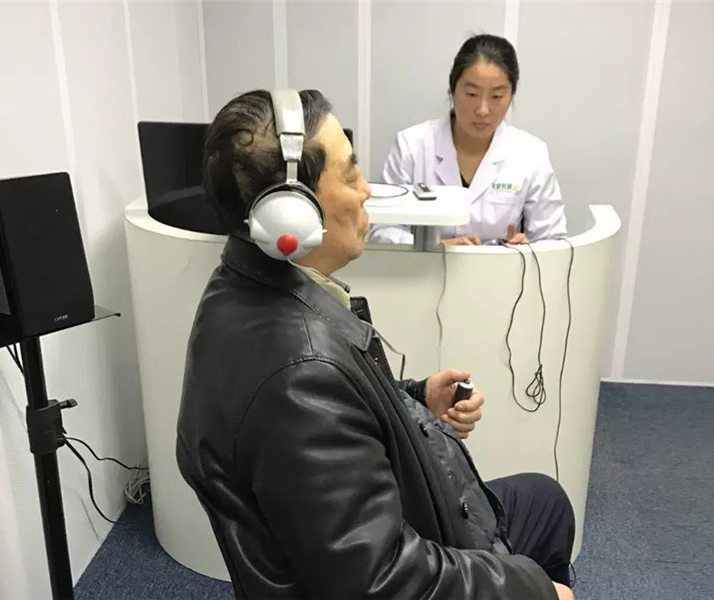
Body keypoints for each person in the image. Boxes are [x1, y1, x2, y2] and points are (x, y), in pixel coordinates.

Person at [176, 88, 575, 600]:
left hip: (382, 530)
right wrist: (538, 592)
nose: (366, 190)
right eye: (350, 174)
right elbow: (380, 581)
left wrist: (414, 397)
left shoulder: (244, 286)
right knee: (543, 546)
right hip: (398, 568)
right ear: (291, 213)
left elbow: (339, 419)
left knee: (544, 499)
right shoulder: (298, 379)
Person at [370, 33, 567, 247]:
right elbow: (382, 231)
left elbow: (553, 241)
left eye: (497, 96)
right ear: (453, 89)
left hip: (502, 269)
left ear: (511, 96)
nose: (483, 110)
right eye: (472, 94)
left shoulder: (531, 154)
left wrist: (527, 249)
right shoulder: (412, 147)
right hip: (425, 268)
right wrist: (435, 247)